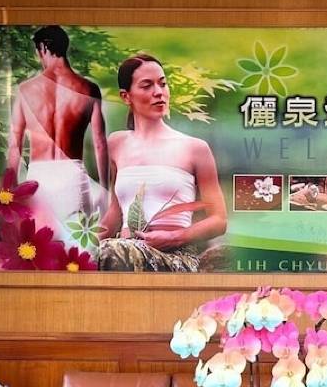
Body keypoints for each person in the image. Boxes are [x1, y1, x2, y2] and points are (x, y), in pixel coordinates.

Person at [97, 53, 228, 271]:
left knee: (110, 251)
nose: (158, 92)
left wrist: (175, 237)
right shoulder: (116, 144)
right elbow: (115, 212)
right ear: (126, 97)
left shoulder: (195, 148)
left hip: (174, 256)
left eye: (162, 84)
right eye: (147, 86)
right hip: (123, 251)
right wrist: (78, 245)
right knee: (100, 253)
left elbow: (219, 220)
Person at [4, 25, 109, 247]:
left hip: (38, 179)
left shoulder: (25, 90)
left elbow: (14, 146)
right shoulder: (88, 89)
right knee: (80, 249)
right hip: (73, 178)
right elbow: (100, 143)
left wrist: (12, 190)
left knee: (42, 248)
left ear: (43, 48)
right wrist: (104, 187)